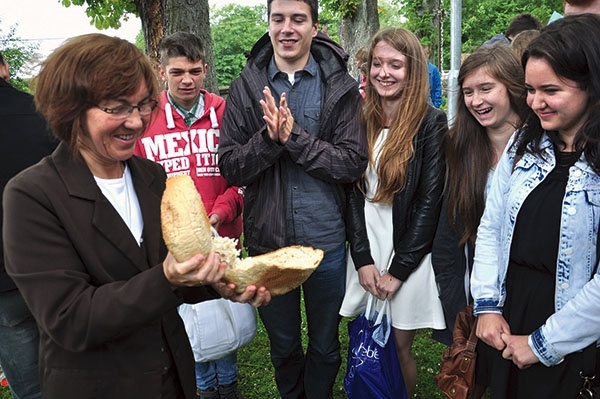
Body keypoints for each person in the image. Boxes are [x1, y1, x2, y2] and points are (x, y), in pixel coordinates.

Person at [2, 33, 271, 399]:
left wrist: (216, 284)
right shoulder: (32, 196)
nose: (136, 121)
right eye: (117, 107)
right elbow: (70, 319)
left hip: (171, 378)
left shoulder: (150, 176)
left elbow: (170, 272)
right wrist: (167, 278)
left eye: (143, 105)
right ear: (69, 108)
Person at [217, 0, 368, 397]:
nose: (287, 28)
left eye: (298, 19)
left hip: (327, 242)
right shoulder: (246, 86)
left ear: (314, 26)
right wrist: (269, 141)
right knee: (283, 346)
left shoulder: (339, 85)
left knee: (324, 344)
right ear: (267, 25)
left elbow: (352, 163)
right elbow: (231, 166)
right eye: (278, 19)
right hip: (269, 242)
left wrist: (294, 139)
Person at [471, 14, 600, 398]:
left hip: (575, 334)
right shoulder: (524, 142)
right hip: (510, 319)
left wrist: (544, 343)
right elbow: (492, 226)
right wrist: (488, 306)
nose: (535, 102)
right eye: (529, 89)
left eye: (551, 90)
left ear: (591, 85)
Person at [134, 32, 245, 399]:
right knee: (186, 325)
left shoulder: (225, 113)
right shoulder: (145, 118)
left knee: (222, 323)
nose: (187, 80)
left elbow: (244, 178)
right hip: (170, 246)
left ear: (205, 69)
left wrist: (221, 212)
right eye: (177, 72)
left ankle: (227, 388)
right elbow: (135, 183)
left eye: (195, 71)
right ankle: (200, 388)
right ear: (162, 71)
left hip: (221, 239)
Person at [339, 27, 448, 399]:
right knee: (369, 334)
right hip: (367, 239)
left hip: (407, 246)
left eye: (396, 65)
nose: (384, 72)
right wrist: (362, 258)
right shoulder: (359, 117)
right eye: (377, 63)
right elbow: (351, 194)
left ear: (413, 71)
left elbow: (429, 201)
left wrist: (399, 269)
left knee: (399, 344)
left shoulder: (430, 123)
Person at [431, 44, 527, 346]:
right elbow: (448, 235)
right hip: (475, 289)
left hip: (528, 290)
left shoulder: (543, 149)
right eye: (468, 92)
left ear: (512, 87)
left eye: (486, 88)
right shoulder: (459, 149)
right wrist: (457, 305)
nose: (476, 100)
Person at [0, 50, 57, 399]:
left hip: (3, 284)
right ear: (4, 68)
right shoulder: (44, 115)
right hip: (56, 267)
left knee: (33, 392)